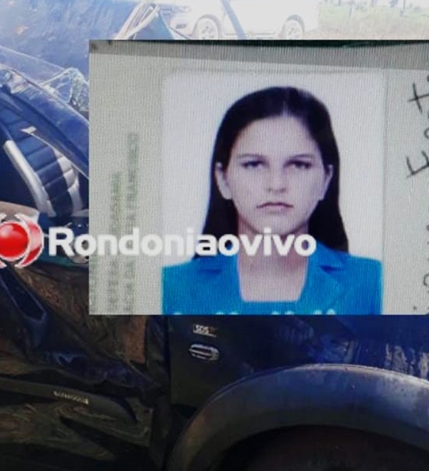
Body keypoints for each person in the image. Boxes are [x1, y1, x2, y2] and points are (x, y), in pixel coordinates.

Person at [162, 86, 382, 314]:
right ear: (223, 179)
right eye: (254, 164)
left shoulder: (373, 283)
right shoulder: (170, 289)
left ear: (326, 180)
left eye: (299, 165)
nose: (276, 184)